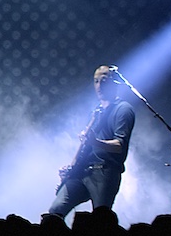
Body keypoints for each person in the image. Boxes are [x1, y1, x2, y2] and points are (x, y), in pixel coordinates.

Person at [46, 65, 135, 219]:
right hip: (82, 172)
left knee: (100, 219)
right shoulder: (96, 111)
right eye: (96, 81)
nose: (99, 86)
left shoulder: (123, 109)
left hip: (105, 172)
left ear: (114, 83)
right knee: (56, 210)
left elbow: (120, 145)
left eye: (104, 81)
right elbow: (86, 145)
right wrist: (71, 167)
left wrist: (96, 142)